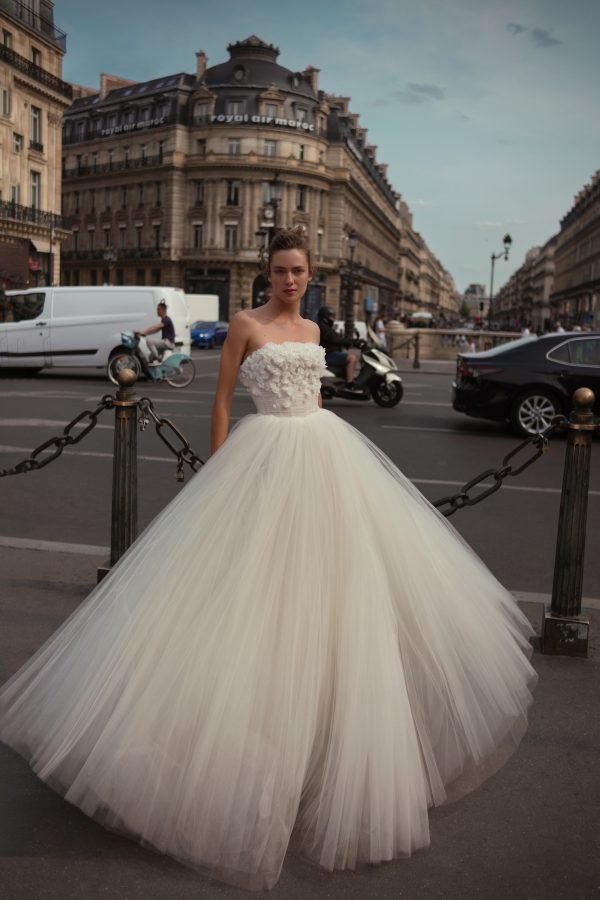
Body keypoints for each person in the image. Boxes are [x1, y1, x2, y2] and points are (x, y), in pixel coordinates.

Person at [0, 227, 536, 892]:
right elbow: (223, 401)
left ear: (312, 275)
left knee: (337, 594)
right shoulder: (244, 326)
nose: (290, 280)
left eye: (299, 271)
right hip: (264, 459)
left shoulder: (313, 334)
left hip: (325, 460)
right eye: (281, 270)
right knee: (249, 599)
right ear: (267, 274)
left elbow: (319, 395)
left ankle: (324, 739)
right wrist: (221, 476)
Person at [317, 305, 358, 388]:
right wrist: (349, 341)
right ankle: (349, 383)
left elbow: (337, 337)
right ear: (325, 317)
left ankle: (344, 378)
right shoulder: (323, 327)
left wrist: (349, 342)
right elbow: (334, 339)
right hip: (328, 354)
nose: (333, 319)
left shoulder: (326, 327)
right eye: (331, 316)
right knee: (352, 358)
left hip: (330, 352)